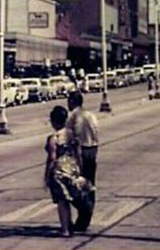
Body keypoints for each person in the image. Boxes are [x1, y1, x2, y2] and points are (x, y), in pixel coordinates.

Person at [44, 106, 91, 238]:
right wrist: (80, 170)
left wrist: (47, 175)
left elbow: (52, 158)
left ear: (53, 121)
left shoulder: (53, 138)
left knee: (62, 201)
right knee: (70, 198)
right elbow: (79, 154)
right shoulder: (72, 135)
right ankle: (69, 224)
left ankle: (65, 229)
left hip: (59, 171)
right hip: (72, 169)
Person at [66, 90, 99, 232]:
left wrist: (76, 159)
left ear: (72, 102)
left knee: (74, 187)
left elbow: (74, 139)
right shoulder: (91, 115)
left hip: (80, 152)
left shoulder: (73, 117)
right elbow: (96, 135)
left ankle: (84, 213)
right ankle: (85, 219)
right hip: (92, 150)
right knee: (89, 186)